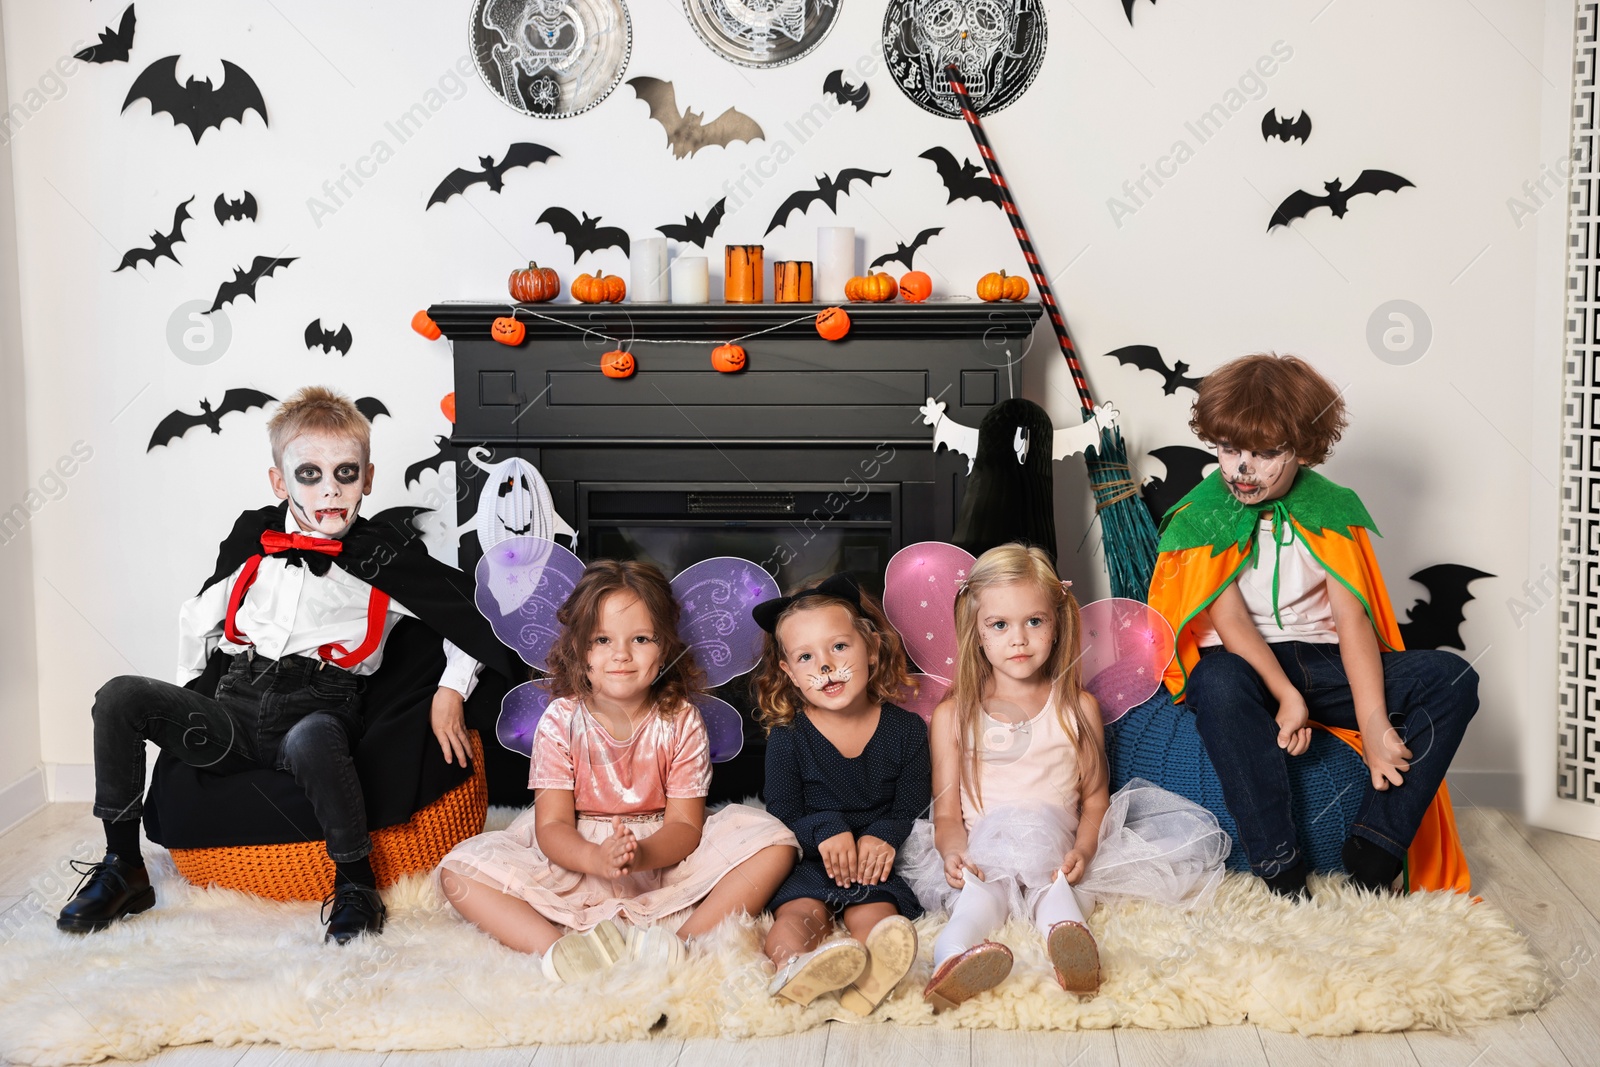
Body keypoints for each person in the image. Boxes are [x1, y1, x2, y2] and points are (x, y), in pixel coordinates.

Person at [60, 386, 517, 943]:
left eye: (346, 474)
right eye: (309, 475)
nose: (330, 489)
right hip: (233, 709)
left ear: (367, 480)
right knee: (118, 696)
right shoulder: (255, 540)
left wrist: (451, 690)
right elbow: (196, 617)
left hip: (321, 706)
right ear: (280, 483)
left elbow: (470, 616)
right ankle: (123, 866)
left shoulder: (384, 556)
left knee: (312, 741)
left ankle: (353, 883)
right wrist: (185, 699)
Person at [1148, 353, 1478, 899]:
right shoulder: (1202, 515)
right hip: (1245, 668)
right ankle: (1280, 866)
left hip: (1325, 663)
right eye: (1229, 450)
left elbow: (1353, 620)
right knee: (1217, 682)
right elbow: (1227, 618)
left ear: (1302, 449)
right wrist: (1284, 696)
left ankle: (1375, 850)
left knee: (1450, 676)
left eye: (1264, 453)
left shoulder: (1332, 511)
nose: (1240, 469)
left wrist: (1373, 721)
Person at [900, 544, 1229, 1011]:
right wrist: (953, 852)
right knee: (977, 901)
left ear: (1057, 626)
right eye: (1000, 625)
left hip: (1057, 847)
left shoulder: (1077, 709)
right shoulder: (956, 715)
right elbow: (947, 812)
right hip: (982, 851)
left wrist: (1084, 849)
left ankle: (1072, 952)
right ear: (976, 634)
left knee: (1057, 893)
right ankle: (951, 962)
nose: (1019, 639)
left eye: (1034, 622)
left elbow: (1095, 799)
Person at [438, 560, 797, 981]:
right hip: (574, 855)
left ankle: (681, 944)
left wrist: (641, 855)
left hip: (661, 853)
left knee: (776, 843)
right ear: (579, 650)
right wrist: (596, 857)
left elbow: (685, 826)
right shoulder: (560, 720)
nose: (621, 655)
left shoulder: (680, 720)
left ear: (663, 647)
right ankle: (560, 950)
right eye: (602, 639)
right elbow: (551, 824)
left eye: (641, 639)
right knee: (458, 871)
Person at [752, 574, 928, 1015]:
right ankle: (794, 970)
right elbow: (783, 809)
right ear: (789, 673)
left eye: (839, 647)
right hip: (813, 861)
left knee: (875, 919)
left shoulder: (906, 731)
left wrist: (884, 835)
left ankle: (876, 976)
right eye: (807, 657)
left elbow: (912, 804)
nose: (826, 666)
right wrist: (824, 830)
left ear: (871, 647)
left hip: (871, 866)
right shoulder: (788, 737)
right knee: (798, 918)